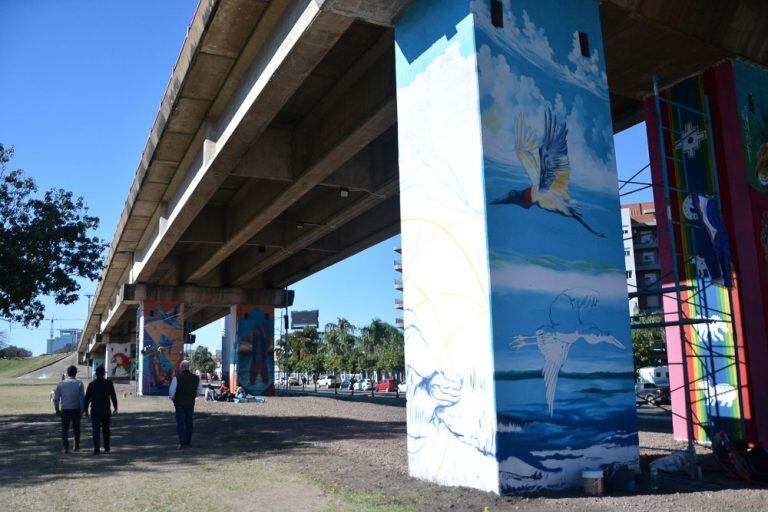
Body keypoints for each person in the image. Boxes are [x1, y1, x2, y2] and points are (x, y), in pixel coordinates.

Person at [83, 364, 118, 455]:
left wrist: (86, 410)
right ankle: (107, 448)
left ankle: (96, 450)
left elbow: (87, 398)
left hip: (95, 410)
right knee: (106, 430)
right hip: (106, 410)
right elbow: (113, 396)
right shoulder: (109, 383)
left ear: (96, 374)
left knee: (96, 431)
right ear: (103, 374)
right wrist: (115, 408)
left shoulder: (91, 384)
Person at [169, 360, 202, 449]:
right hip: (190, 403)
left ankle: (183, 444)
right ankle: (188, 442)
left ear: (182, 367)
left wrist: (173, 399)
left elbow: (171, 392)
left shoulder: (177, 378)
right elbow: (199, 392)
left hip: (179, 403)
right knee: (189, 423)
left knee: (181, 423)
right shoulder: (196, 378)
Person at [53, 365, 85, 454]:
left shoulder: (61, 383)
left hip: (65, 409)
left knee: (65, 429)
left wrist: (57, 409)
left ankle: (65, 447)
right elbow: (82, 399)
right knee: (76, 428)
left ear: (67, 373)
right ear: (75, 373)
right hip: (76, 409)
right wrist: (82, 410)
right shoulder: (79, 383)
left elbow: (56, 399)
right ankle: (76, 445)